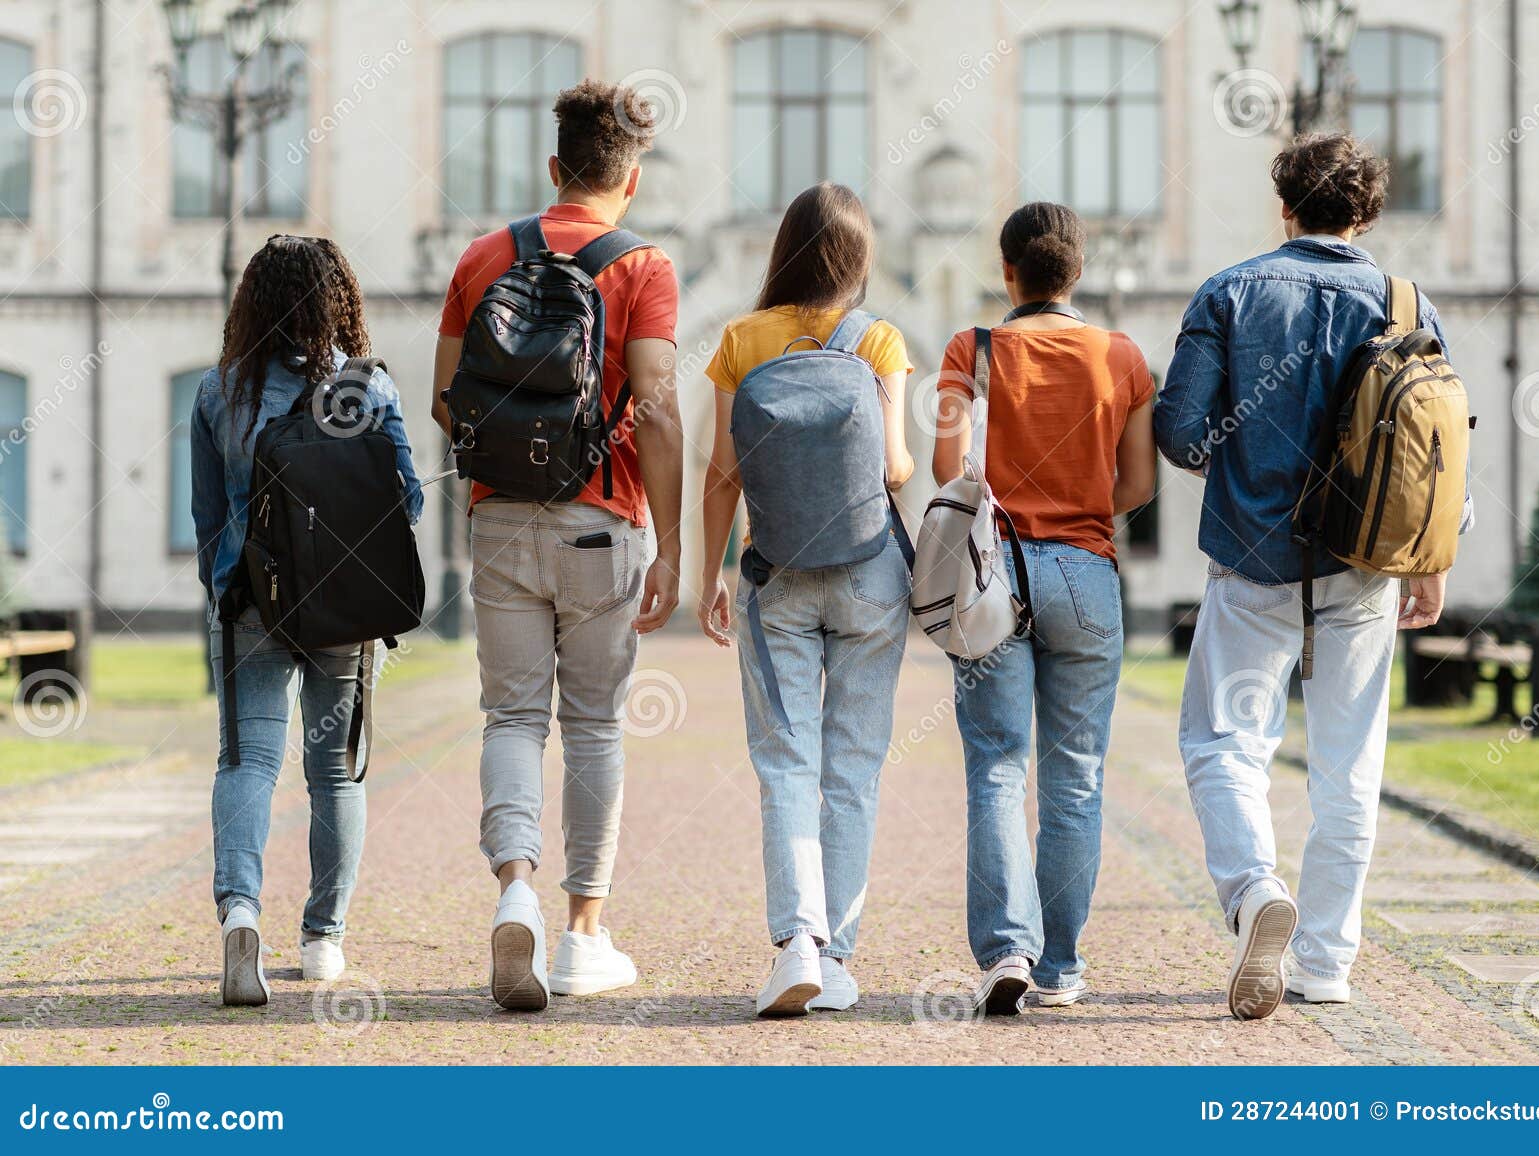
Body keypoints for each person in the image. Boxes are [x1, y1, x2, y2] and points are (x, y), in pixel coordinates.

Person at [1155, 133, 1467, 1020]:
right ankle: (1326, 964)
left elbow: (1180, 432)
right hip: (1367, 567)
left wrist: (1240, 457)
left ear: (1284, 204)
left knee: (1223, 743)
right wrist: (1432, 558)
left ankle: (1256, 891)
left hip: (1253, 561)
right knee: (1349, 765)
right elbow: (1442, 447)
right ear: (1366, 213)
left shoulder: (1232, 290)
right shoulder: (1407, 302)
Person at [433, 79, 684, 1010]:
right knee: (593, 725)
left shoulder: (484, 256)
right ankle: (582, 934)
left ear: (553, 169)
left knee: (510, 718)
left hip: (499, 519)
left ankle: (516, 893)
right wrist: (670, 543)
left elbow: (444, 400)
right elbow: (656, 406)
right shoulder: (644, 266)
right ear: (633, 177)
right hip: (602, 522)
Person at [932, 202, 1156, 1015]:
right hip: (1088, 573)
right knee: (1076, 778)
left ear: (1007, 272)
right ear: (1079, 271)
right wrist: (1082, 507)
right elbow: (1138, 485)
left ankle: (1005, 953)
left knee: (996, 767)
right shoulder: (1122, 356)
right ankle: (1061, 966)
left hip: (993, 575)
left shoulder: (973, 348)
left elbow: (946, 466)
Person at [697, 182, 915, 1017]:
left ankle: (797, 943)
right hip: (869, 574)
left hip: (773, 570)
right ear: (858, 259)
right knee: (853, 767)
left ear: (782, 250)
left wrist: (707, 576)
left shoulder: (741, 340)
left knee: (785, 761)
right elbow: (897, 467)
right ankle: (842, 957)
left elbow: (720, 471)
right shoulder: (881, 340)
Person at [191, 235, 424, 1006]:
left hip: (252, 603)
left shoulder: (219, 390)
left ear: (250, 303)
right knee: (333, 772)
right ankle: (323, 938)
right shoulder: (368, 388)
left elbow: (205, 518)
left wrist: (226, 591)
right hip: (347, 611)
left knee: (247, 764)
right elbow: (410, 503)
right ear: (338, 302)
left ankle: (239, 914)